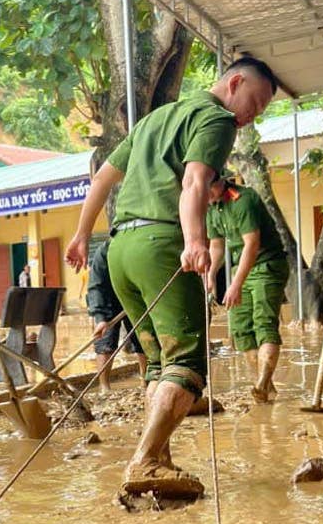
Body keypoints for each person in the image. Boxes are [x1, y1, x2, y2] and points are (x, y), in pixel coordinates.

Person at [64, 57, 277, 498]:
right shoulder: (217, 119)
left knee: (158, 362)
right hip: (163, 244)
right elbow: (195, 182)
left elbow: (103, 177)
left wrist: (83, 234)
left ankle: (159, 458)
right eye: (253, 103)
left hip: (120, 247)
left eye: (258, 112)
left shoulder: (156, 119)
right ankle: (144, 459)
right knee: (187, 362)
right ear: (234, 82)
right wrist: (195, 240)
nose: (250, 116)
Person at [205, 176, 289, 402]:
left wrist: (235, 284)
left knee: (264, 324)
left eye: (209, 186)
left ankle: (262, 382)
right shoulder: (212, 208)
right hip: (242, 270)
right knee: (241, 330)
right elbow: (216, 245)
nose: (206, 192)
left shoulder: (243, 200)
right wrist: (211, 274)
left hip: (267, 265)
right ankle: (266, 388)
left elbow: (252, 244)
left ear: (220, 181)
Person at [86, 240, 147, 392]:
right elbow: (96, 286)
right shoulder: (104, 252)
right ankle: (104, 387)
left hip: (135, 296)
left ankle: (145, 381)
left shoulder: (139, 246)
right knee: (104, 341)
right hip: (109, 298)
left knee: (142, 337)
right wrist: (100, 317)